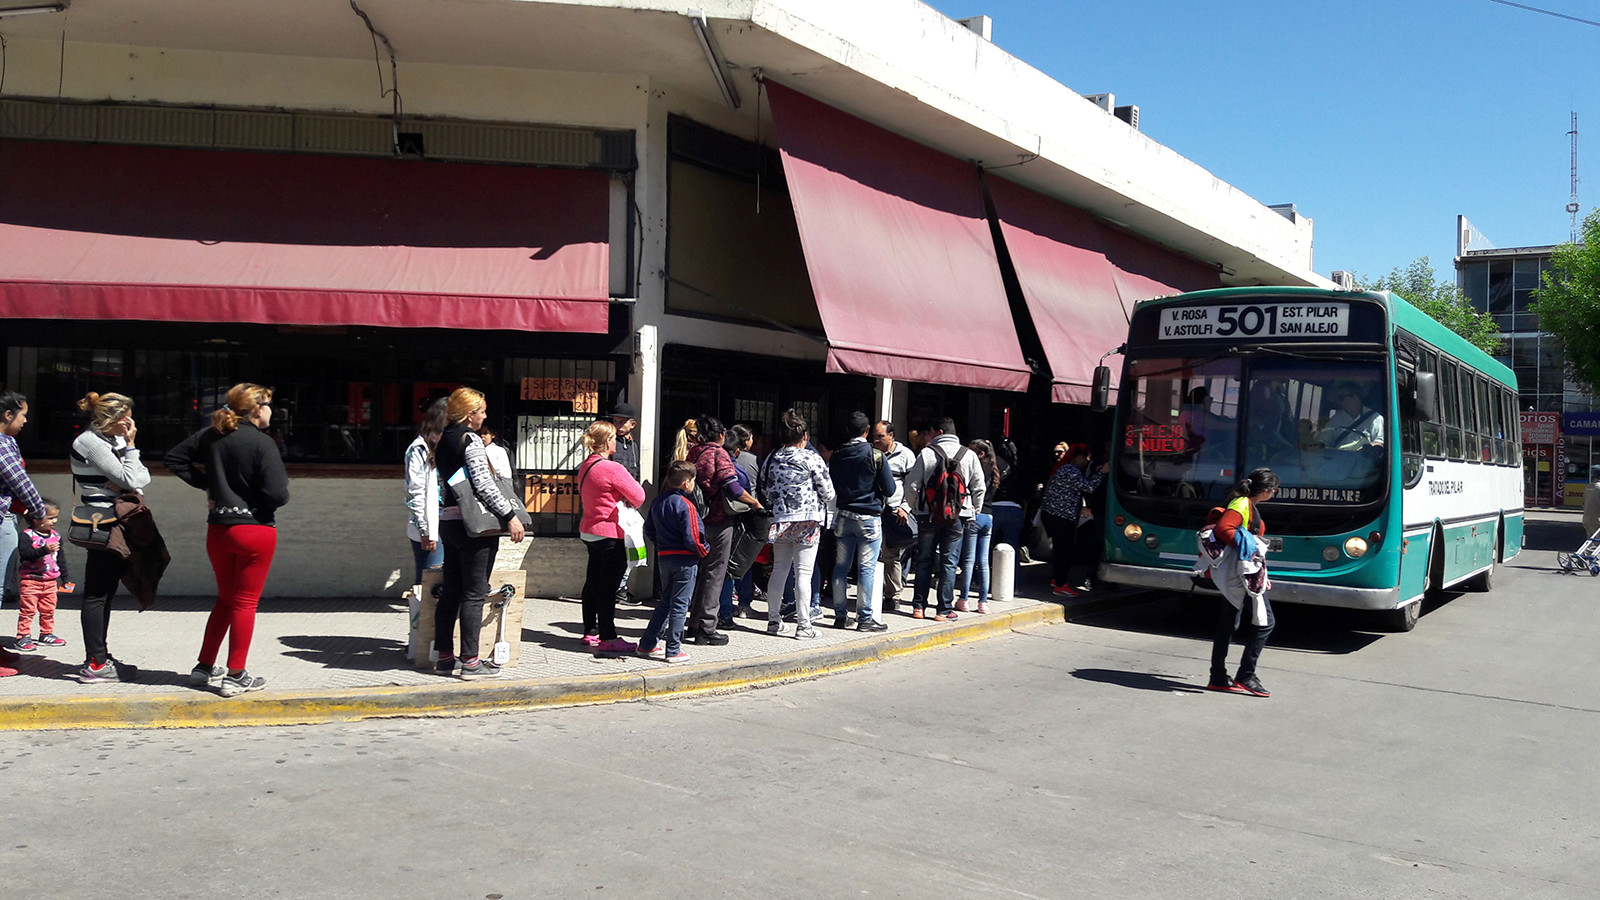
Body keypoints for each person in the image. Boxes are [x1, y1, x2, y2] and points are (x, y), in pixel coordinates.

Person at [166, 384, 290, 697]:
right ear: (257, 408)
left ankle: (204, 666)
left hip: (219, 528)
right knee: (245, 603)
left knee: (225, 599)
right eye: (269, 405)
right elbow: (277, 493)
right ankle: (236, 674)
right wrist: (260, 501)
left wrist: (212, 485)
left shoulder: (212, 434)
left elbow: (175, 458)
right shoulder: (263, 443)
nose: (271, 411)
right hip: (255, 529)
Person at [428, 387, 526, 678]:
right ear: (470, 414)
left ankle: (445, 657)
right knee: (474, 592)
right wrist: (509, 516)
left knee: (452, 591)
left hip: (450, 520)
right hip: (475, 527)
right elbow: (484, 485)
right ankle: (471, 661)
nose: (484, 416)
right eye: (481, 411)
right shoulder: (469, 439)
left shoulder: (444, 437)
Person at [72, 391, 153, 685]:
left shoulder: (113, 441)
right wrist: (130, 454)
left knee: (105, 591)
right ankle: (95, 664)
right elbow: (132, 479)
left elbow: (141, 479)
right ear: (111, 418)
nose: (130, 423)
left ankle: (99, 656)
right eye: (125, 417)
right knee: (96, 592)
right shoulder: (90, 442)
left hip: (120, 519)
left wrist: (125, 473)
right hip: (102, 522)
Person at [1194, 468, 1280, 698]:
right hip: (1241, 575)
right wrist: (1251, 557)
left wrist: (1262, 573)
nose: (1276, 492)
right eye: (1275, 489)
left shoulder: (1243, 503)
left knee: (1229, 623)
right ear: (1265, 491)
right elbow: (1225, 529)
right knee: (1265, 623)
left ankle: (1218, 677)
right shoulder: (1242, 504)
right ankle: (1246, 675)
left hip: (1239, 574)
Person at [760, 409, 835, 639]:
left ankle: (774, 620)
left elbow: (764, 489)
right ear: (804, 436)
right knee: (803, 572)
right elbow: (828, 491)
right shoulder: (812, 458)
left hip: (781, 520)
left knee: (779, 570)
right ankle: (804, 626)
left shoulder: (772, 458)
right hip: (807, 521)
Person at [687, 416, 761, 645]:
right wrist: (755, 503)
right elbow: (733, 486)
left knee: (700, 573)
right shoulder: (720, 454)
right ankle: (707, 626)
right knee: (715, 574)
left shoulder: (695, 453)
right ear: (721, 436)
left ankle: (694, 623)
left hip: (696, 519)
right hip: (718, 520)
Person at [905, 417, 986, 621]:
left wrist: (916, 508)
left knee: (924, 560)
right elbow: (979, 487)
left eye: (932, 433)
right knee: (949, 562)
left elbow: (912, 485)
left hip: (927, 514)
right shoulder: (969, 455)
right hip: (957, 516)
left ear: (939, 433)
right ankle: (943, 610)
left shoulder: (926, 453)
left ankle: (918, 607)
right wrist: (973, 511)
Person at [576, 420, 646, 653]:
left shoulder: (586, 465)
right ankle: (608, 636)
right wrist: (624, 498)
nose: (616, 441)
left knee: (593, 582)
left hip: (589, 530)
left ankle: (590, 630)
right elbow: (638, 495)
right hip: (610, 533)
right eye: (614, 437)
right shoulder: (612, 468)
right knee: (609, 587)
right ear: (608, 441)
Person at [829, 411, 895, 631]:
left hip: (843, 516)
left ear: (848, 431)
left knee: (840, 567)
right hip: (868, 518)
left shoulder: (837, 455)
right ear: (867, 431)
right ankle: (865, 619)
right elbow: (890, 489)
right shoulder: (876, 455)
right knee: (866, 569)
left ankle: (840, 615)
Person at [638, 460, 707, 663]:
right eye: (693, 480)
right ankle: (674, 649)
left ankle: (647, 644)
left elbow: (649, 529)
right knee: (680, 604)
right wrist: (704, 551)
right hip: (685, 560)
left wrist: (661, 546)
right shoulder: (686, 505)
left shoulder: (658, 502)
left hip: (664, 557)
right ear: (687, 483)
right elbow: (693, 537)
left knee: (666, 602)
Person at [0, 389, 46, 677]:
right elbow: (20, 481)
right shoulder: (2, 445)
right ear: (7, 415)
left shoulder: (9, 441)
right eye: (23, 414)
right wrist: (39, 510)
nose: (26, 420)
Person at [1040, 444, 1107, 597]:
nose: (1087, 462)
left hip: (1053, 515)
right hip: (1063, 516)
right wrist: (1102, 472)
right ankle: (1061, 585)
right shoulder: (1071, 471)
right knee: (1065, 551)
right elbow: (1089, 487)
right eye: (1086, 458)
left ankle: (1057, 579)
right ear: (1080, 457)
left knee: (1059, 550)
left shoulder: (1063, 468)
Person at [872, 420, 918, 615]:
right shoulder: (871, 453)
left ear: (891, 436)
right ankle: (875, 592)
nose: (876, 440)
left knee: (891, 555)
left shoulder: (906, 455)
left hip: (894, 512)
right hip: (873, 510)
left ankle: (893, 595)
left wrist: (905, 508)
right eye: (874, 436)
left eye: (880, 436)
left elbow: (913, 485)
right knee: (873, 554)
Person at [404, 398, 448, 586]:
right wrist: (426, 530)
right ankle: (420, 615)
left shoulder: (447, 446)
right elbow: (415, 493)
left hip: (448, 518)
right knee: (429, 580)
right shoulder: (419, 449)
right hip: (431, 522)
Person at [14, 499, 68, 652]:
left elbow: (60, 557)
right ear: (35, 518)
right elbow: (25, 555)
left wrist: (65, 577)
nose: (54, 521)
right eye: (50, 518)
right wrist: (44, 550)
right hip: (31, 580)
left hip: (51, 581)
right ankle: (23, 636)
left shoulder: (56, 536)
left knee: (48, 610)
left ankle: (46, 633)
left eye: (55, 517)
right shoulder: (27, 535)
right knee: (28, 610)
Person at [719, 423, 760, 623]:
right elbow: (741, 491)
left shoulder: (708, 461)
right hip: (735, 521)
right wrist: (755, 504)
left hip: (710, 521)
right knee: (735, 565)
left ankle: (714, 610)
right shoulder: (745, 465)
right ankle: (730, 610)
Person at [957, 440, 999, 614]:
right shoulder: (994, 470)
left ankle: (964, 599)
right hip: (989, 516)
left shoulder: (975, 467)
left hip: (975, 514)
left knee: (968, 560)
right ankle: (982, 602)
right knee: (983, 561)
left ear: (980, 454)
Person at [1317, 382, 1384, 450]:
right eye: (1337, 398)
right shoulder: (1337, 418)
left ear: (1355, 398)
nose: (1338, 401)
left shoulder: (1375, 418)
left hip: (1362, 458)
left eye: (1341, 398)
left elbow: (1379, 442)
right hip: (1338, 457)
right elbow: (1324, 440)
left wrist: (1364, 449)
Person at [1584, 465, 1600, 537]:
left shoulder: (1589, 487)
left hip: (1587, 519)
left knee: (1592, 543)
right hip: (1598, 520)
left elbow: (1583, 503)